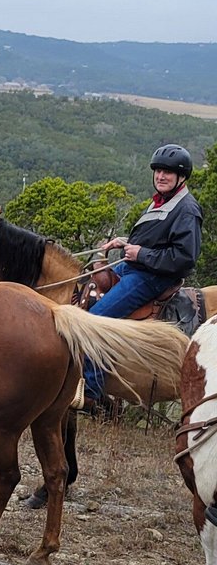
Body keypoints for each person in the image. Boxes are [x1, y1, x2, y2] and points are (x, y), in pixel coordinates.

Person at [82, 143, 202, 403]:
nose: (161, 176)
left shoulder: (187, 209)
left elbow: (184, 257)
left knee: (93, 321)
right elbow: (159, 240)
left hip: (152, 277)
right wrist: (125, 243)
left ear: (181, 177)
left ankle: (91, 392)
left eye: (168, 172)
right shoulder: (164, 200)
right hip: (138, 265)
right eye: (158, 171)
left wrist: (140, 254)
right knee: (84, 287)